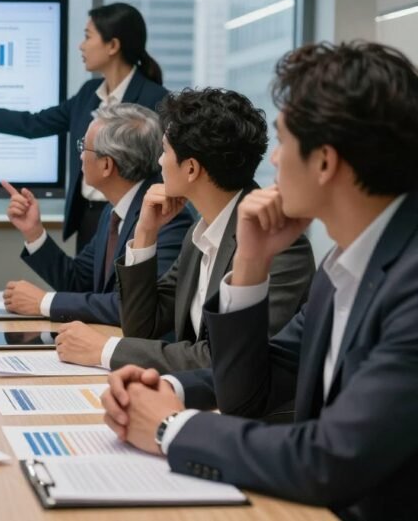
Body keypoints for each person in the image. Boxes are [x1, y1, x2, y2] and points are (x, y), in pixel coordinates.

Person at [101, 42, 418, 520]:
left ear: (325, 162)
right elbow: (249, 394)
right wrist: (250, 263)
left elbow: (332, 458)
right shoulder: (344, 264)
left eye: (284, 142)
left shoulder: (410, 282)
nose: (273, 161)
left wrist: (171, 427)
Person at [55, 88, 314, 374]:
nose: (159, 162)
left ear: (191, 169)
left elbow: (228, 359)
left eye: (165, 151)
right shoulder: (200, 233)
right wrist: (145, 233)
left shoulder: (279, 246)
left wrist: (105, 350)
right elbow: (143, 326)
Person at [0, 2, 168, 251]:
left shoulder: (155, 99)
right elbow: (33, 124)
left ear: (113, 45)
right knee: (84, 287)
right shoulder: (89, 94)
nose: (81, 45)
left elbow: (164, 168)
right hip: (89, 218)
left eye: (88, 37)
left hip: (134, 219)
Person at [1, 103, 192, 324]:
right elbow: (78, 281)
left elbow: (138, 306)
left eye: (84, 147)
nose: (81, 156)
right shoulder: (114, 211)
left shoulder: (168, 217)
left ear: (106, 165)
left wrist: (46, 302)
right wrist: (34, 232)